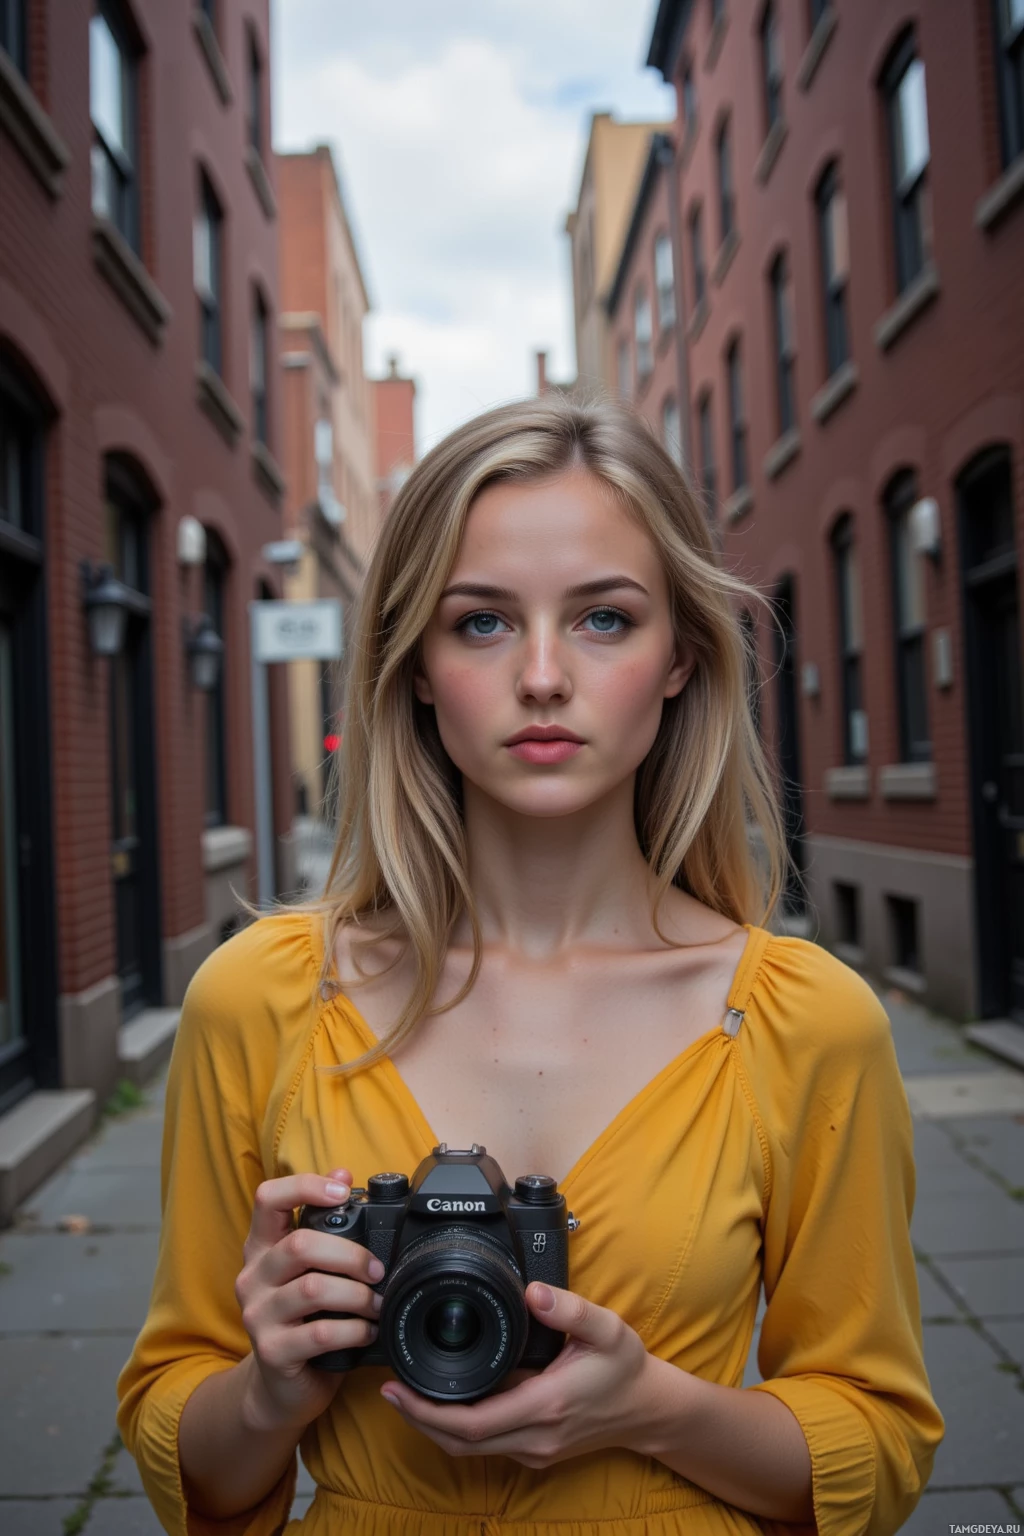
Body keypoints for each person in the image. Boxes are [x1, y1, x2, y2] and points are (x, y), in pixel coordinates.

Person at [117, 397, 943, 1536]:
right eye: (481, 623)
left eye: (604, 618)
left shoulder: (805, 1022)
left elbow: (880, 1449)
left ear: (679, 658)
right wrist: (268, 1389)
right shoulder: (260, 998)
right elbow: (192, 1467)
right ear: (413, 664)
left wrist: (653, 1411)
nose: (544, 676)